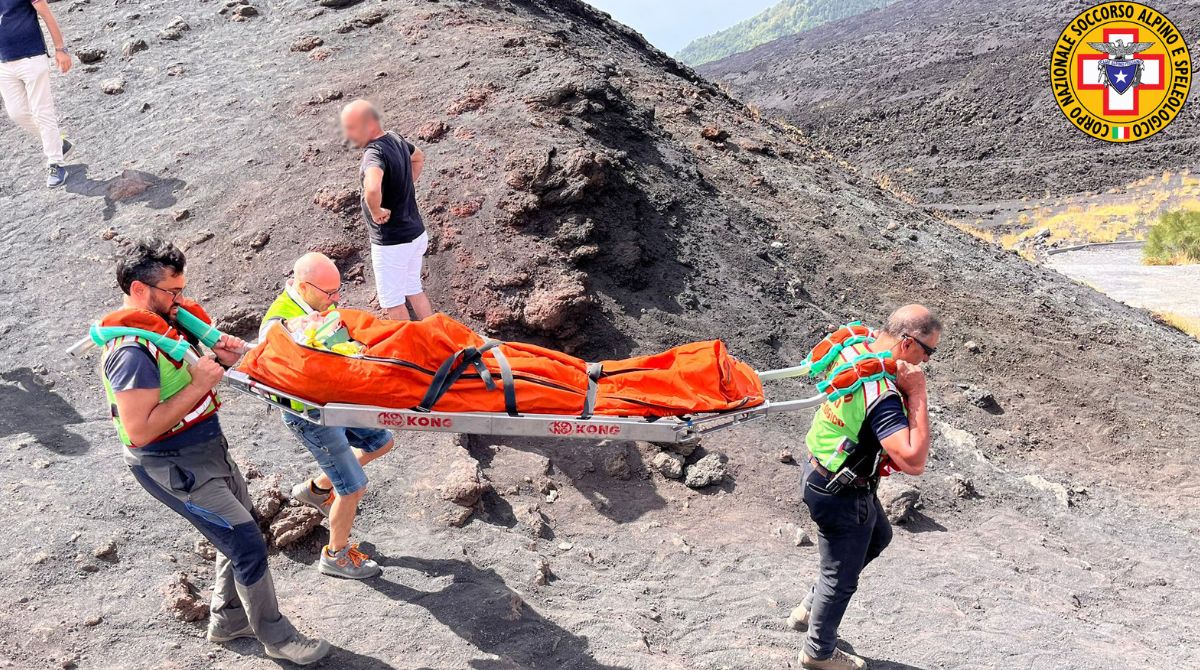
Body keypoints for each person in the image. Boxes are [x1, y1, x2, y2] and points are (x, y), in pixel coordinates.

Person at [99, 239, 330, 665]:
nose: (179, 299)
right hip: (172, 466)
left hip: (208, 448)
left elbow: (196, 375)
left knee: (237, 532)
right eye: (171, 291)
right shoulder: (130, 353)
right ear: (138, 290)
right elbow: (140, 430)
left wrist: (225, 360)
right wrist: (202, 383)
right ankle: (277, 637)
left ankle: (228, 620)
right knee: (247, 543)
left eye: (181, 290)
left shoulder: (168, 324)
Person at [789, 304, 939, 670]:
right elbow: (913, 461)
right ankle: (818, 653)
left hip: (819, 471)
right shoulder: (882, 393)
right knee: (840, 578)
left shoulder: (857, 348)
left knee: (877, 536)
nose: (927, 361)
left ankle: (810, 608)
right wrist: (918, 393)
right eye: (928, 352)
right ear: (907, 343)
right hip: (842, 493)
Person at [259, 252, 394, 579]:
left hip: (333, 403)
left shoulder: (315, 305)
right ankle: (336, 556)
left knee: (382, 441)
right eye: (330, 292)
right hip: (309, 415)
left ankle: (318, 489)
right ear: (304, 287)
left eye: (337, 291)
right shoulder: (279, 323)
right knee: (353, 488)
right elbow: (279, 366)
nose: (336, 299)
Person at [339, 98, 432, 321]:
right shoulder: (396, 138)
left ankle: (410, 343)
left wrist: (376, 211)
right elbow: (418, 157)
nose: (348, 135)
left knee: (393, 302)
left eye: (352, 128)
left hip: (393, 243)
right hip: (416, 234)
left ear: (370, 124)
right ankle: (435, 334)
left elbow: (372, 188)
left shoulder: (373, 154)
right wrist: (405, 184)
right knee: (413, 288)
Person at [0, 0, 74, 187]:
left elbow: (46, 14)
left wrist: (60, 49)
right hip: (4, 64)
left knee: (42, 111)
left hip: (32, 58)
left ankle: (55, 163)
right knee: (16, 113)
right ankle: (58, 143)